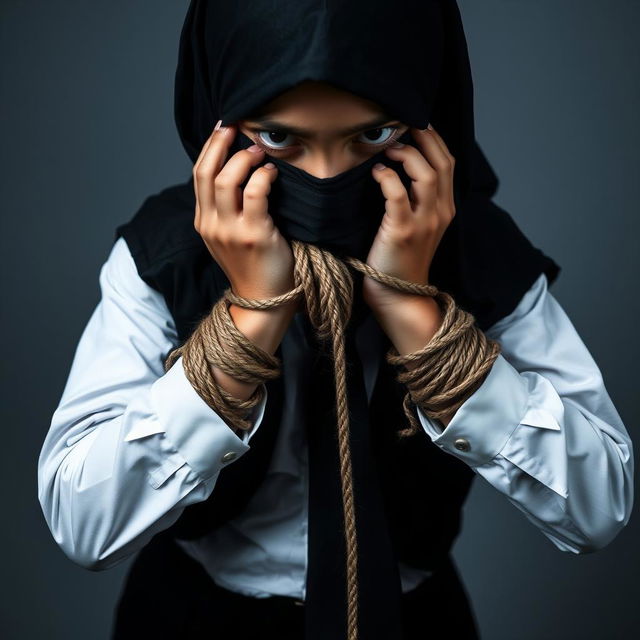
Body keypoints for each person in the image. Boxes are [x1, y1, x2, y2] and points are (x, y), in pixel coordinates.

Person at [37, 1, 634, 639]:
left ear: (429, 124)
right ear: (221, 127)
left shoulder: (478, 255)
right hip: (192, 616)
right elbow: (84, 523)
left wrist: (417, 316)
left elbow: (598, 507)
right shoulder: (167, 256)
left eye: (372, 136)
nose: (326, 177)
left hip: (411, 621)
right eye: (278, 136)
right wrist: (248, 320)